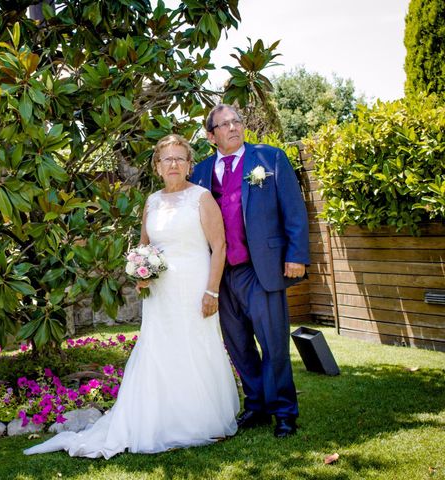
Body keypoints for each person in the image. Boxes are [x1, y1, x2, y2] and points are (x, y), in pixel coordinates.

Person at [24, 134, 240, 458]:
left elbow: (219, 246)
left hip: (195, 287)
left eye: (180, 158)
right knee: (160, 350)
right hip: (160, 293)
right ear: (157, 166)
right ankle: (162, 419)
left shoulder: (202, 198)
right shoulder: (152, 201)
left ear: (189, 164)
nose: (174, 164)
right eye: (167, 159)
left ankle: (203, 420)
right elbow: (145, 246)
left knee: (196, 348)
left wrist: (211, 290)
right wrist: (141, 272)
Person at [191, 104, 310, 438]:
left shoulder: (270, 159)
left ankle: (284, 412)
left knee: (273, 344)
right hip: (221, 276)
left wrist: (296, 254)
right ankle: (256, 406)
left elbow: (295, 210)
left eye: (236, 121)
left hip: (261, 269)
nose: (233, 128)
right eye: (224, 124)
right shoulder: (199, 173)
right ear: (211, 135)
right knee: (239, 345)